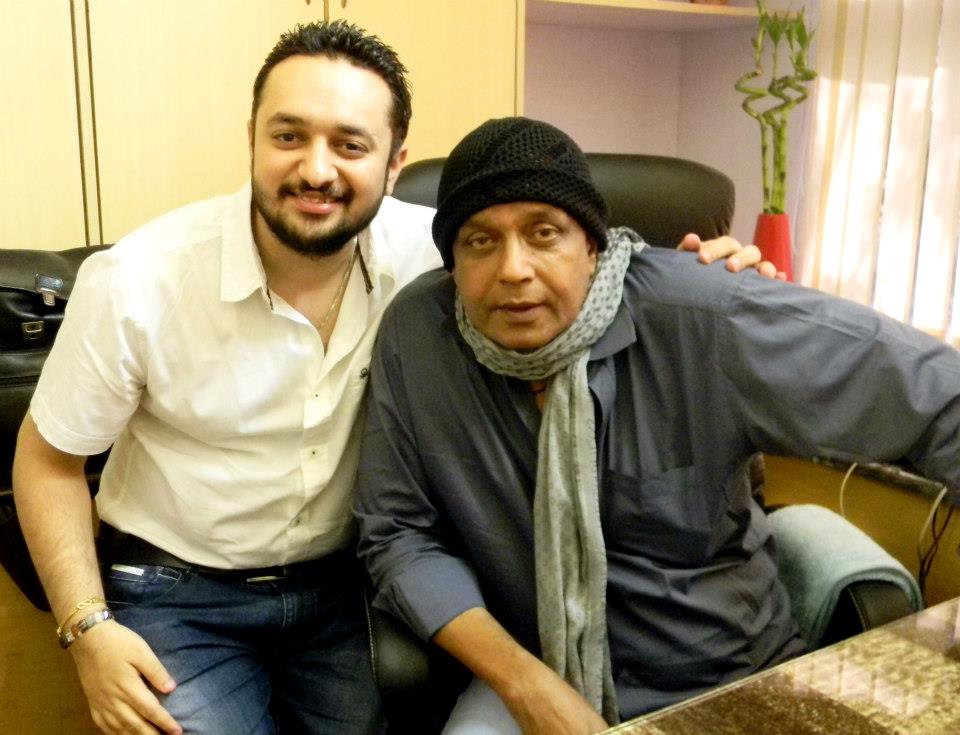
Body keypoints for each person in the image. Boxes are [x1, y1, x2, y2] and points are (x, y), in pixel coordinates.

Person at [11, 21, 764, 735]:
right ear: (252, 140)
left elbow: (579, 279)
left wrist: (705, 280)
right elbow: (47, 462)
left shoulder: (445, 260)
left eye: (350, 144)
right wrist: (86, 627)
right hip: (179, 587)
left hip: (347, 585)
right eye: (288, 136)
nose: (316, 169)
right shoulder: (137, 280)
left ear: (395, 164)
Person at [353, 116, 960, 734]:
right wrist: (525, 684)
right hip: (532, 668)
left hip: (720, 676)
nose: (513, 269)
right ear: (452, 261)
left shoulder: (705, 316)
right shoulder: (419, 337)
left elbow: (940, 396)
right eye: (480, 241)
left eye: (544, 233)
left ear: (592, 245)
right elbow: (398, 532)